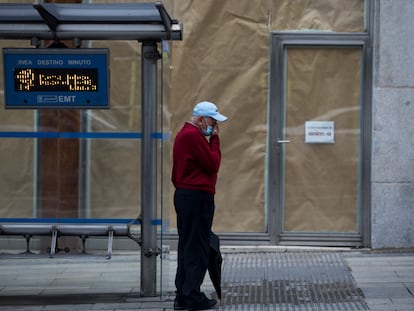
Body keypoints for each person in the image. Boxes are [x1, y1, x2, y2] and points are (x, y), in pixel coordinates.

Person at [171, 101, 228, 310]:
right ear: (201, 119)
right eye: (213, 121)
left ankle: (182, 295)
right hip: (197, 197)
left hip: (186, 195)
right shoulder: (193, 136)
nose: (214, 126)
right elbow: (213, 164)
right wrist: (215, 140)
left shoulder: (183, 135)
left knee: (187, 246)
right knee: (197, 248)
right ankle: (192, 295)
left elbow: (175, 172)